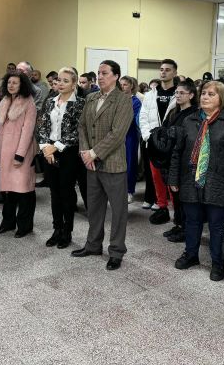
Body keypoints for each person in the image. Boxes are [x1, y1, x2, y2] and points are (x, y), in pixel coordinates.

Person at [168, 80, 224, 281]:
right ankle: (191, 255)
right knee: (192, 221)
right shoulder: (190, 120)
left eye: (211, 94)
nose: (205, 97)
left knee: (216, 226)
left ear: (222, 98)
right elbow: (178, 151)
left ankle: (217, 263)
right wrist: (173, 177)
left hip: (219, 182)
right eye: (203, 93)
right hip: (190, 180)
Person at [72, 60, 134, 271]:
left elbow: (117, 134)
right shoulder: (91, 97)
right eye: (98, 73)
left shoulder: (123, 100)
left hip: (113, 163)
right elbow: (82, 126)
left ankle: (116, 251)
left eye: (104, 73)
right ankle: (93, 245)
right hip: (91, 164)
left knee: (118, 212)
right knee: (95, 208)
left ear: (116, 76)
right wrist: (85, 151)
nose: (99, 76)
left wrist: (93, 153)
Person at [37, 67, 85, 249]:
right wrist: (45, 148)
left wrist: (55, 147)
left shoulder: (80, 103)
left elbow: (77, 131)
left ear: (74, 84)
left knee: (66, 192)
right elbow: (42, 126)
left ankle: (67, 231)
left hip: (68, 152)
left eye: (66, 81)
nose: (61, 83)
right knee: (54, 192)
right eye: (59, 80)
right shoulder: (50, 101)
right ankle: (56, 229)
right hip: (48, 151)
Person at [0, 72, 38, 237]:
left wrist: (20, 155)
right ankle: (8, 222)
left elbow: (28, 131)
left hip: (22, 152)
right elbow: (0, 130)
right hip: (5, 153)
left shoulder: (29, 103)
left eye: (15, 83)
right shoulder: (5, 101)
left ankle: (25, 226)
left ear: (22, 85)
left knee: (24, 190)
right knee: (8, 191)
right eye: (9, 82)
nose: (11, 85)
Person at [139, 59, 179, 224]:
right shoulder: (150, 94)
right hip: (154, 141)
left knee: (173, 178)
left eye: (167, 70)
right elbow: (143, 117)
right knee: (156, 177)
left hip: (172, 142)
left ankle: (178, 213)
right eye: (161, 69)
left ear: (175, 73)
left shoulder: (179, 93)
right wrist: (148, 136)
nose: (163, 72)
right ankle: (162, 207)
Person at [162, 78, 198, 243]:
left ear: (191, 95)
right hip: (172, 158)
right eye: (176, 92)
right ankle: (178, 223)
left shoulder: (194, 114)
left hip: (184, 160)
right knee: (174, 195)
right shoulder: (174, 112)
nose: (178, 95)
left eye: (182, 93)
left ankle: (185, 227)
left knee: (183, 196)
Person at [120, 76, 141, 204]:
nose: (122, 87)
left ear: (131, 86)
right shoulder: (117, 99)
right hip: (117, 136)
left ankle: (129, 191)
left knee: (130, 163)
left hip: (130, 135)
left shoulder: (136, 101)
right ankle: (119, 189)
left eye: (125, 84)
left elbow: (133, 119)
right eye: (121, 84)